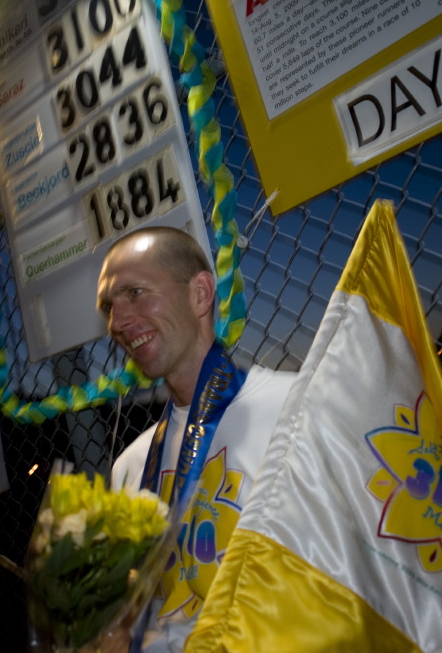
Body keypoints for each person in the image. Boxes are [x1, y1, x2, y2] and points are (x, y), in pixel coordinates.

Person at [97, 226, 297, 653]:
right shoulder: (129, 467)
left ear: (201, 295)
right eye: (109, 307)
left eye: (135, 293)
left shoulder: (296, 408)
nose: (116, 323)